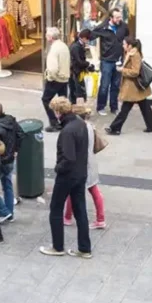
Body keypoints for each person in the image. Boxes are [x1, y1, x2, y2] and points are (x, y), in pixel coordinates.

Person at [40, 96, 92, 259]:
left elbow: (68, 158)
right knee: (80, 210)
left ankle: (57, 246)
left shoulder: (67, 131)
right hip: (81, 173)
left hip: (67, 176)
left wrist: (58, 168)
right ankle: (84, 248)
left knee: (56, 209)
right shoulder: (80, 123)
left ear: (57, 112)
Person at [64, 107, 106, 230]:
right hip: (91, 162)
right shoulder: (90, 126)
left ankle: (67, 217)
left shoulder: (78, 129)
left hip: (82, 164)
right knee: (94, 190)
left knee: (72, 190)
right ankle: (100, 218)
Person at [106, 38, 152, 135]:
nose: (123, 46)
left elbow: (135, 72)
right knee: (144, 106)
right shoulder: (130, 53)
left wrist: (122, 70)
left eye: (124, 44)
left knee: (125, 108)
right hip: (135, 87)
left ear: (129, 45)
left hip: (133, 87)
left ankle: (115, 128)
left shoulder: (135, 55)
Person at [0, 101, 22, 224]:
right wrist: (16, 150)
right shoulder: (11, 121)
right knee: (7, 186)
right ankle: (10, 214)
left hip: (0, 162)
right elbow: (21, 134)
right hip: (10, 160)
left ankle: (3, 211)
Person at [91, 7, 129, 116]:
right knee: (104, 85)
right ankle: (100, 107)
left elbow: (126, 37)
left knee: (116, 86)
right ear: (111, 18)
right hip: (106, 61)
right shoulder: (104, 27)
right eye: (117, 17)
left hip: (118, 60)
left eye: (120, 17)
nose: (119, 19)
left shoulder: (123, 26)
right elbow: (92, 35)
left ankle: (114, 107)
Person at [42, 27, 71, 132]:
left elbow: (53, 68)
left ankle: (54, 123)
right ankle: (65, 121)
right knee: (63, 100)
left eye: (46, 34)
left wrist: (50, 77)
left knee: (46, 99)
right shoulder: (63, 46)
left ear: (50, 37)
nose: (45, 36)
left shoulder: (54, 49)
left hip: (55, 79)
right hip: (64, 78)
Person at [69, 29, 95, 104]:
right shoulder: (76, 46)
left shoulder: (78, 45)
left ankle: (77, 109)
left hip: (77, 72)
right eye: (88, 39)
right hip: (75, 72)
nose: (88, 41)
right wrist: (88, 64)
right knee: (78, 93)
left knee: (78, 92)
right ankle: (77, 110)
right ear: (83, 38)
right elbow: (79, 61)